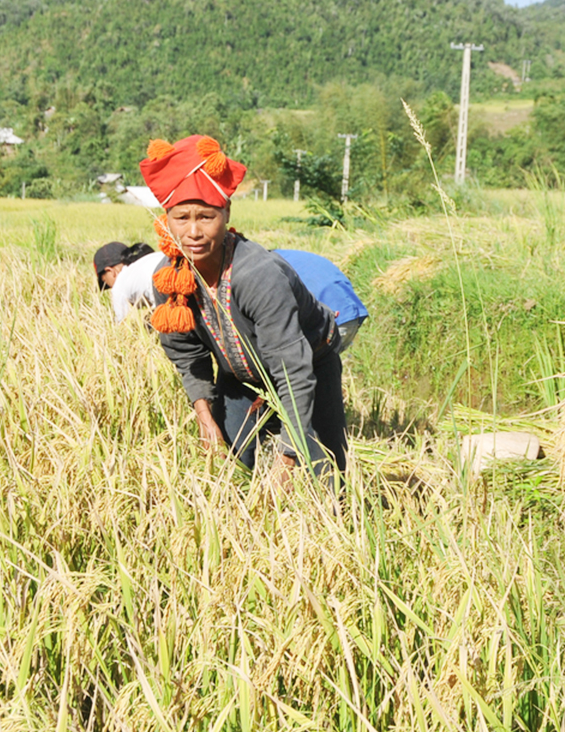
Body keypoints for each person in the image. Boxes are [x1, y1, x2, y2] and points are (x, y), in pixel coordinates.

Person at [139, 134, 347, 479]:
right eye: (181, 218)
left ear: (226, 213)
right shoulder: (169, 279)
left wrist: (288, 457)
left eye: (206, 217)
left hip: (309, 360)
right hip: (239, 374)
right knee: (232, 467)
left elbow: (293, 370)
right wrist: (205, 416)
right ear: (167, 220)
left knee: (325, 470)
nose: (193, 231)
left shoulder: (258, 275)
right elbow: (187, 355)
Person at [94, 242, 368, 352]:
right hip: (351, 309)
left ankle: (296, 444)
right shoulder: (265, 259)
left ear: (111, 271)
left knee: (289, 374)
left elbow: (123, 334)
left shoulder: (254, 273)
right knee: (316, 375)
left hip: (329, 315)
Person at [93, 241, 165, 322]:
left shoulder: (119, 285)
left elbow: (123, 324)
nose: (111, 287)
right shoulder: (147, 260)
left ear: (111, 271)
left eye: (105, 282)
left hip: (163, 283)